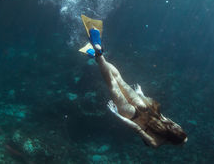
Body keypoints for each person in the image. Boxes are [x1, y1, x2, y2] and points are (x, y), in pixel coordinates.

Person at [79, 15, 188, 147]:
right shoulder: (157, 142)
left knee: (118, 78)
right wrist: (116, 115)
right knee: (112, 85)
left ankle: (98, 54)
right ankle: (98, 52)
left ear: (178, 131)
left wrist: (141, 93)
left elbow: (157, 112)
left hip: (144, 105)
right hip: (131, 115)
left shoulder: (171, 123)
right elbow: (138, 129)